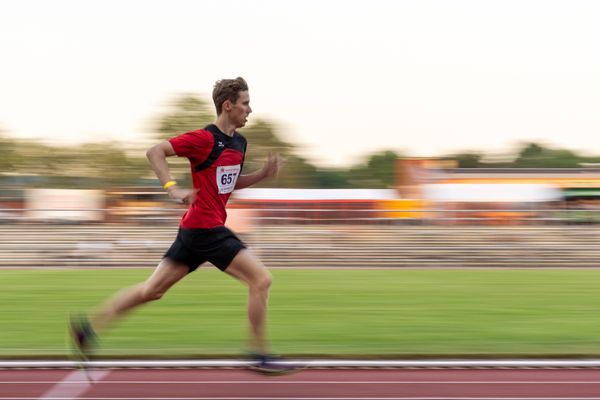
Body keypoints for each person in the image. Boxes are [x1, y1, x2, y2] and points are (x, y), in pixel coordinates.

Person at [70, 77, 295, 375]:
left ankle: (88, 328)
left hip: (194, 230)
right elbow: (154, 151)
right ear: (228, 106)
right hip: (206, 227)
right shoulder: (203, 139)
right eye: (245, 103)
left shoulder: (240, 143)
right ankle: (258, 353)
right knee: (261, 280)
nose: (250, 110)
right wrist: (172, 187)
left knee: (152, 290)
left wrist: (261, 175)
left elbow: (228, 182)